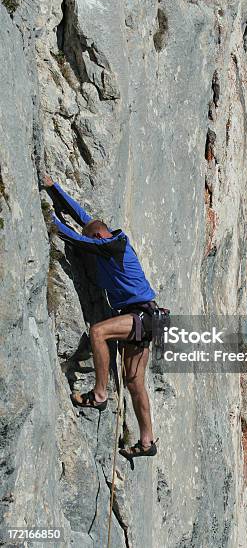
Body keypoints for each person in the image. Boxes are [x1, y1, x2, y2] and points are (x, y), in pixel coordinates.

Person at [43, 174, 157, 458]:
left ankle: (100, 393)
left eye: (94, 236)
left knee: (98, 332)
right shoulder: (103, 239)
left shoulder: (114, 244)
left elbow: (77, 237)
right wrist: (53, 187)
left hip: (141, 315)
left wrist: (47, 217)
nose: (92, 239)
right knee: (134, 383)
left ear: (100, 235)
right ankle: (147, 442)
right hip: (146, 318)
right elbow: (83, 218)